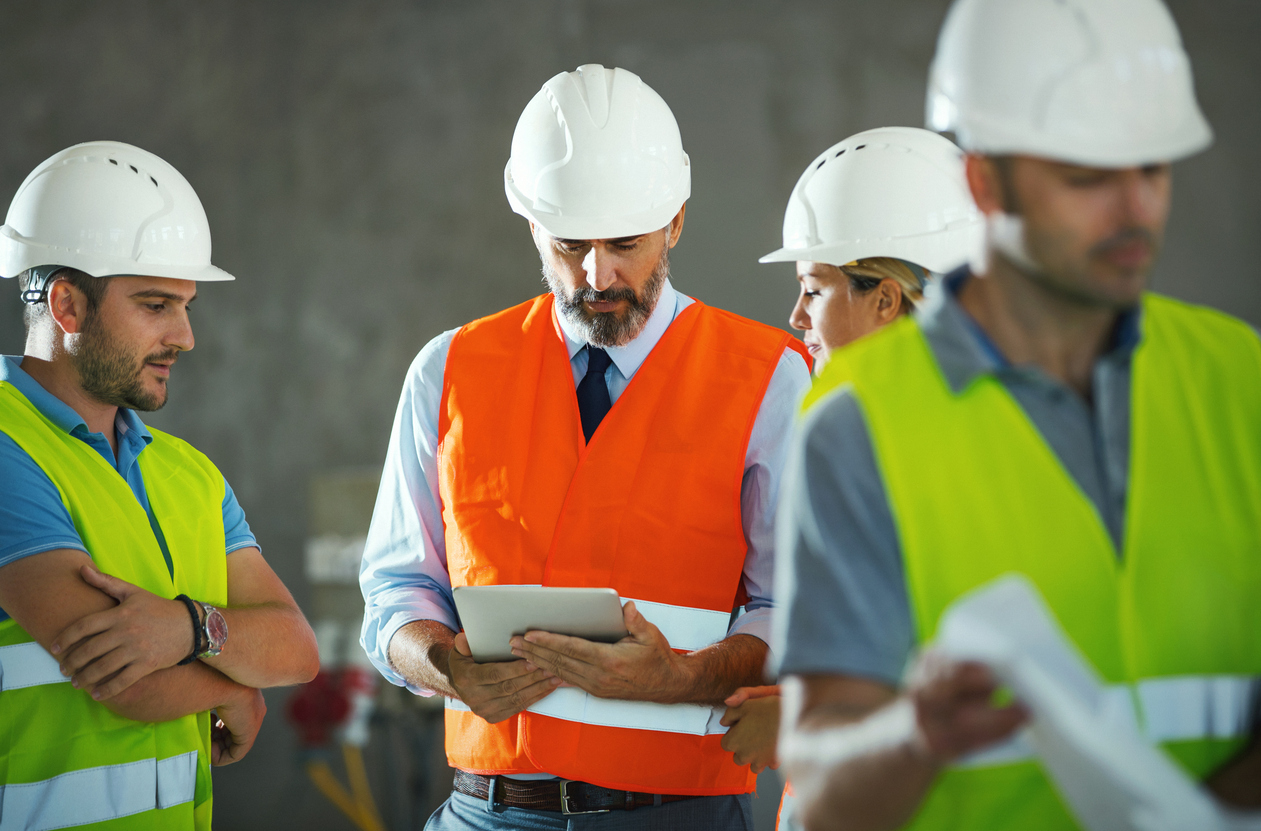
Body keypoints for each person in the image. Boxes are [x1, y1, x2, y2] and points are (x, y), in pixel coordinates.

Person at [774, 0, 1261, 828]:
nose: (1134, 209)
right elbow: (817, 795)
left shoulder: (1238, 379)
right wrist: (912, 735)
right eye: (1085, 177)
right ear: (983, 180)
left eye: (1152, 168)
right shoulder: (859, 426)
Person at [359, 64, 811, 829]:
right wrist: (443, 664)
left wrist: (678, 676)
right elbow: (396, 593)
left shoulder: (769, 377)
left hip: (677, 815)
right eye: (569, 244)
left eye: (625, 244)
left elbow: (796, 611)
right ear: (532, 224)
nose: (597, 275)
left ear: (675, 221)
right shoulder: (449, 371)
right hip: (486, 812)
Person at [0, 141, 320, 830]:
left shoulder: (189, 474)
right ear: (66, 304)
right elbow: (127, 679)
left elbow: (295, 647)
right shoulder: (5, 447)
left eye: (185, 305)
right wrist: (231, 687)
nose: (185, 335)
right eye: (154, 304)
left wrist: (186, 625)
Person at [719, 126, 983, 829]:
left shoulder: (963, 456)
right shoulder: (869, 441)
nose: (795, 316)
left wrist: (801, 725)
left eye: (813, 288)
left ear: (886, 300)